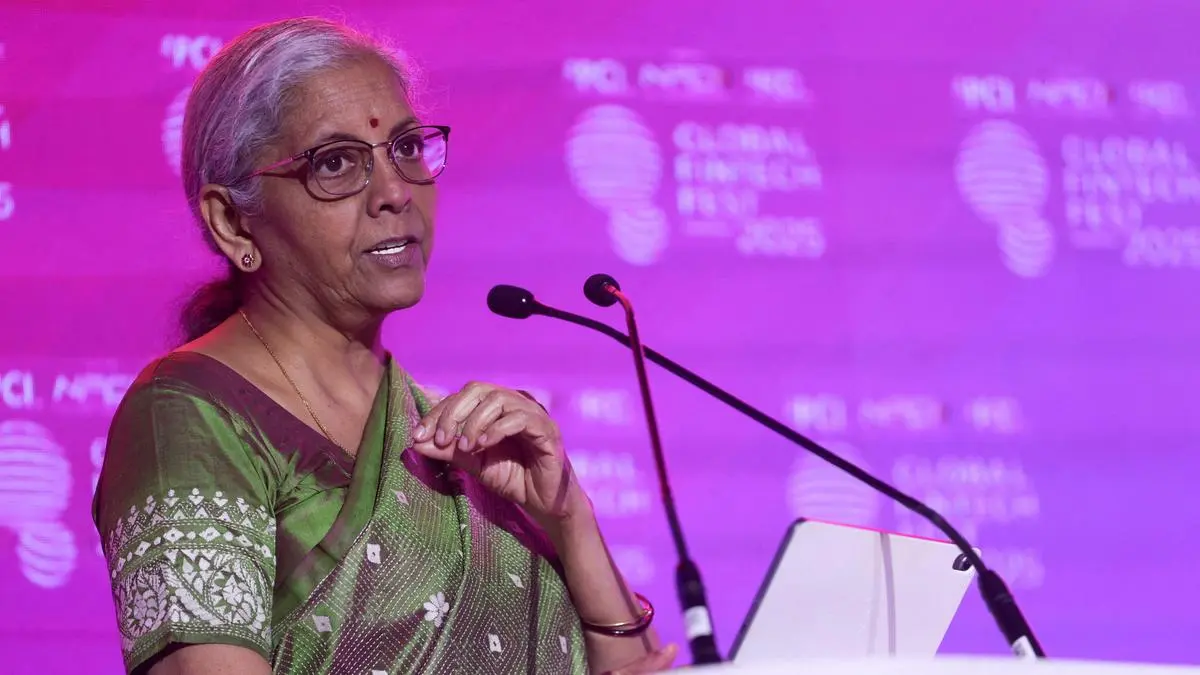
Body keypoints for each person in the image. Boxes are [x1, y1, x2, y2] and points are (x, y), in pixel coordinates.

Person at [93, 16, 677, 675]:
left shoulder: (453, 440)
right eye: (335, 163)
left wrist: (569, 516)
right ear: (233, 222)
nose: (396, 192)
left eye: (406, 148)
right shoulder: (188, 416)